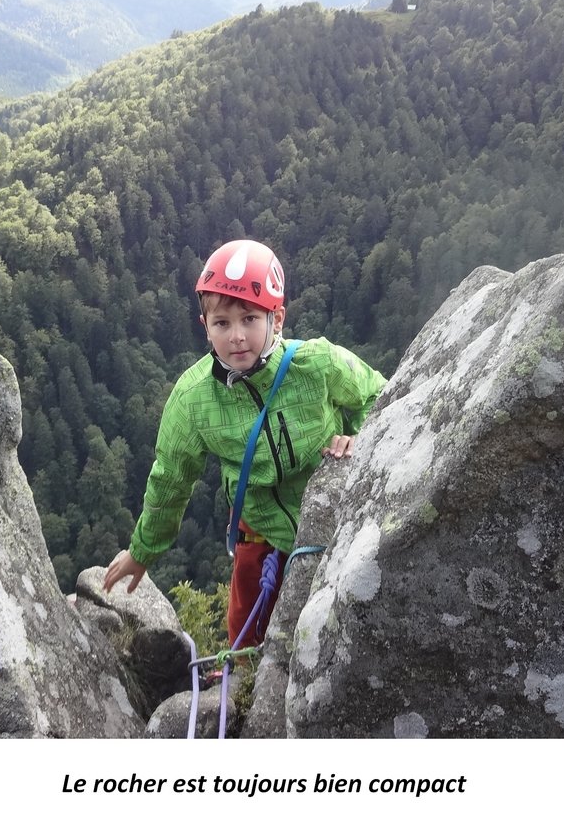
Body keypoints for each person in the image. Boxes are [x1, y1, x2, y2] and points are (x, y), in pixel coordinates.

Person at [102, 238, 387, 648]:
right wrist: (142, 551)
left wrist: (362, 436)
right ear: (206, 327)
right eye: (222, 323)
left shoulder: (316, 364)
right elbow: (170, 481)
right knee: (246, 647)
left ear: (278, 318)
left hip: (336, 522)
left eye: (249, 319)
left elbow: (376, 394)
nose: (236, 336)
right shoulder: (193, 399)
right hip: (260, 538)